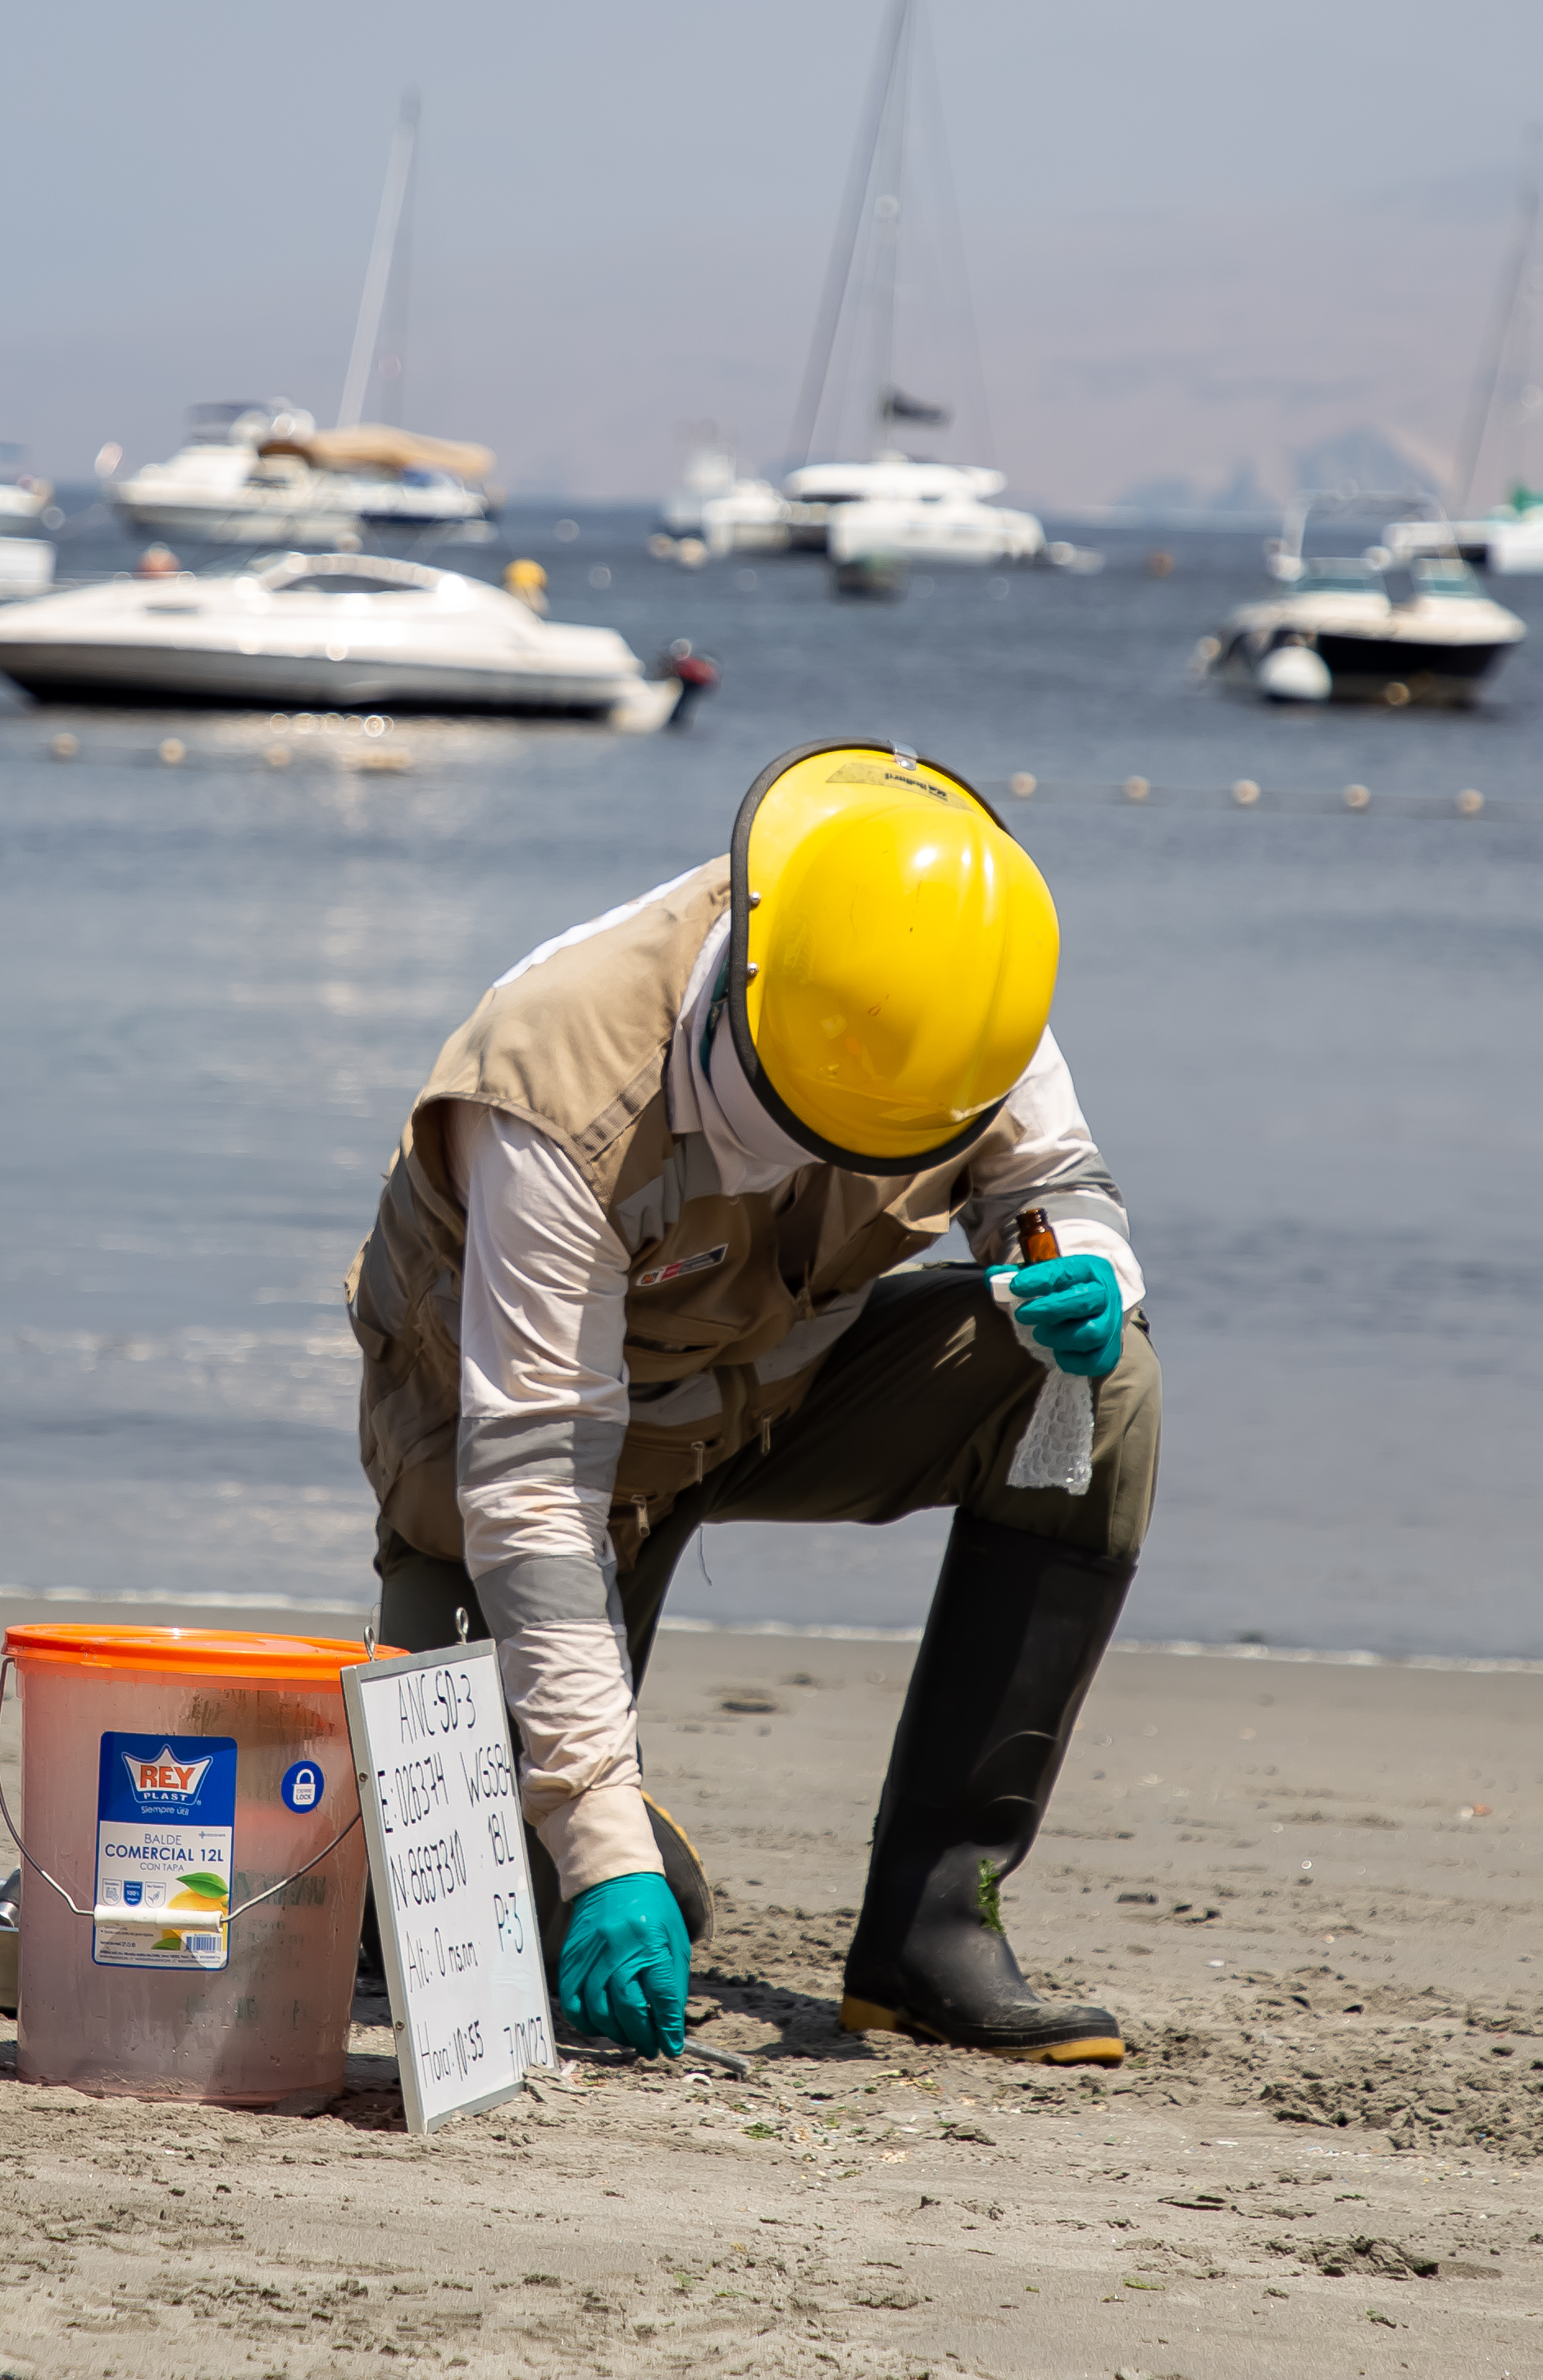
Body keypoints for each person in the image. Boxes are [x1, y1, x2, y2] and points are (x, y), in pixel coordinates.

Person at [348, 739, 1158, 2064]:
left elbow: (1052, 1181)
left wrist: (1081, 1260)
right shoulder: (554, 1082)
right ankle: (614, 1841)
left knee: (1106, 1385)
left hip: (785, 1382)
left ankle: (934, 1929)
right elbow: (533, 1478)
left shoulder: (950, 973)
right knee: (457, 1933)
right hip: (524, 1461)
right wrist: (602, 1843)